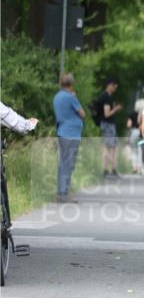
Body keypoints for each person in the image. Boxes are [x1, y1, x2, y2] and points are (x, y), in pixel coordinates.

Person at [52, 73, 85, 202]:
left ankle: (61, 192)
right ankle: (64, 193)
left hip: (62, 132)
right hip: (71, 134)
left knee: (63, 163)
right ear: (71, 84)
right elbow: (82, 114)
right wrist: (75, 98)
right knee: (69, 164)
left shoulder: (57, 97)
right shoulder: (71, 97)